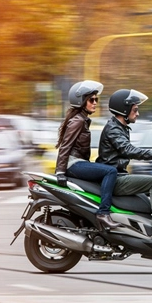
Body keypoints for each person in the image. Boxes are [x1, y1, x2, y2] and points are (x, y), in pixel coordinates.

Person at [96, 89, 152, 239]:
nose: (138, 113)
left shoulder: (119, 127)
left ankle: (141, 229)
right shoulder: (113, 129)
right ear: (124, 109)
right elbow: (129, 150)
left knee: (145, 199)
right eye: (135, 110)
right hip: (114, 178)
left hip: (118, 175)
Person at [55, 80, 120, 228]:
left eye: (96, 99)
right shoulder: (77, 121)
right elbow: (65, 146)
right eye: (91, 99)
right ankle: (103, 213)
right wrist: (60, 172)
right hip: (73, 164)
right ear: (81, 101)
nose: (95, 102)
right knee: (110, 171)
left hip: (79, 162)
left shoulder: (82, 120)